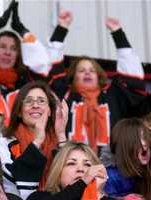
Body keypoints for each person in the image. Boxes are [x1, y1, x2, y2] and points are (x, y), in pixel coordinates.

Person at [0, 1, 72, 126]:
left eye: (14, 48)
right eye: (2, 47)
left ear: (19, 54)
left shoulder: (27, 82)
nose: (8, 52)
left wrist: (22, 30)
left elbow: (45, 67)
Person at [54, 17, 145, 154]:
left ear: (99, 76)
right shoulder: (64, 95)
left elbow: (133, 80)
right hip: (71, 165)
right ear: (73, 76)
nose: (87, 73)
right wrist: (61, 29)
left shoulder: (113, 96)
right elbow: (51, 70)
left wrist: (118, 34)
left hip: (110, 169)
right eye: (81, 70)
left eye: (92, 70)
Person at [0, 81, 68, 200]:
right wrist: (38, 140)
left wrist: (60, 134)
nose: (35, 105)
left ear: (49, 111)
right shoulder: (3, 143)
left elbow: (70, 177)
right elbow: (11, 180)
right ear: (19, 112)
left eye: (41, 101)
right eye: (28, 101)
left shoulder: (59, 141)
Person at [27, 141, 112, 200]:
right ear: (58, 172)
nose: (81, 169)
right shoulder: (39, 197)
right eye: (71, 163)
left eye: (87, 164)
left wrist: (93, 192)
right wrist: (83, 182)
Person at [104, 117, 150, 199]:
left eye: (145, 137)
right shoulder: (110, 177)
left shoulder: (147, 171)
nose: (144, 143)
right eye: (138, 139)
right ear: (125, 145)